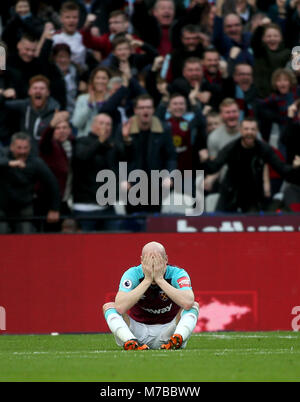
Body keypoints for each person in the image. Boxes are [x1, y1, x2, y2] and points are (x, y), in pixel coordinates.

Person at [103, 241, 199, 350]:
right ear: (142, 261)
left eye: (157, 262)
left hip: (169, 330)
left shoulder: (177, 273)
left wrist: (160, 280)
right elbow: (120, 306)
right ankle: (131, 342)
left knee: (193, 306)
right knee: (109, 307)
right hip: (138, 331)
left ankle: (177, 339)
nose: (153, 267)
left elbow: (188, 302)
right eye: (149, 262)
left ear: (166, 260)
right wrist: (147, 280)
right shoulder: (133, 273)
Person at [200, 117, 300, 212]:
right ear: (241, 131)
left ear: (257, 132)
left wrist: (295, 167)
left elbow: (282, 169)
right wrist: (205, 160)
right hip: (230, 193)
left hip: (253, 195)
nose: (249, 132)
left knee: (255, 225)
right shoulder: (231, 148)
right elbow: (213, 167)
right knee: (219, 222)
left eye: (253, 129)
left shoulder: (264, 149)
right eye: (246, 129)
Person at [72, 113, 125, 232]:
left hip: (107, 207)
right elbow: (82, 157)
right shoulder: (82, 141)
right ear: (93, 126)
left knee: (115, 244)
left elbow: (124, 158)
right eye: (101, 123)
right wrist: (99, 141)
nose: (105, 127)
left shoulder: (111, 145)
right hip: (85, 208)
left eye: (108, 124)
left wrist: (127, 140)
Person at [0, 132, 60, 234]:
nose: (22, 151)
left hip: (24, 205)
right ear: (11, 147)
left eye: (25, 148)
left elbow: (53, 184)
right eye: (19, 148)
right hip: (2, 206)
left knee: (26, 235)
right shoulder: (3, 154)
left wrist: (54, 209)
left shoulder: (36, 162)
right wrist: (10, 163)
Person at [0, 75, 60, 153]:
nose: (38, 91)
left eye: (42, 88)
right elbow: (3, 104)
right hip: (26, 153)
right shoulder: (24, 105)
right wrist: (2, 94)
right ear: (29, 91)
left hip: (47, 153)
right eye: (35, 88)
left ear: (48, 92)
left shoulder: (55, 111)